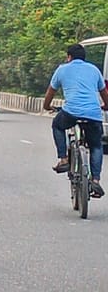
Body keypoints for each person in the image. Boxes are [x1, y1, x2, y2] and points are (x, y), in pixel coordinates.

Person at [43, 43, 108, 198]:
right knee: (96, 146)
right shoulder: (94, 70)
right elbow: (104, 92)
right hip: (93, 114)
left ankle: (64, 158)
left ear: (69, 57)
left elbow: (50, 92)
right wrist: (105, 106)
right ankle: (96, 180)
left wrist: (47, 106)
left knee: (57, 126)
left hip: (71, 112)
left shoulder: (62, 69)